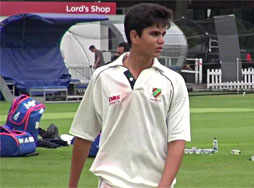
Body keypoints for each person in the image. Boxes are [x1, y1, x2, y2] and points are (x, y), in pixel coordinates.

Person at [69, 3, 190, 188]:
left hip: (155, 183)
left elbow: (177, 141)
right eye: (154, 34)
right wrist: (72, 185)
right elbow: (84, 135)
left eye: (163, 34)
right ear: (134, 36)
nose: (161, 41)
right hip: (112, 182)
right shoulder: (103, 76)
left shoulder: (173, 81)